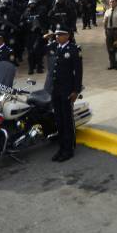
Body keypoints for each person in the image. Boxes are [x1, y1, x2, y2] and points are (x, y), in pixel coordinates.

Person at [48, 25, 82, 162]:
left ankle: (68, 149)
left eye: (60, 34)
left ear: (67, 36)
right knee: (59, 120)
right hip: (56, 90)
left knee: (67, 121)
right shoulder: (56, 47)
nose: (57, 37)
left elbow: (78, 72)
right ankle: (61, 147)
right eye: (56, 35)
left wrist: (76, 91)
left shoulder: (74, 49)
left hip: (67, 90)